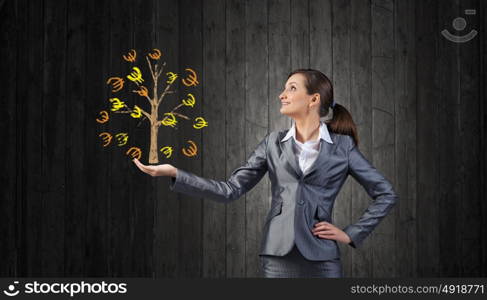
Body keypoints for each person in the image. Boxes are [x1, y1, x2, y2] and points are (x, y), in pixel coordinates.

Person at [133, 69, 399, 278]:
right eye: (284, 88)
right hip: (277, 257)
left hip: (323, 259)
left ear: (314, 99)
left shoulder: (343, 147)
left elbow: (385, 193)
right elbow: (230, 190)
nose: (282, 94)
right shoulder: (272, 142)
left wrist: (351, 233)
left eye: (291, 88)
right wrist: (175, 173)